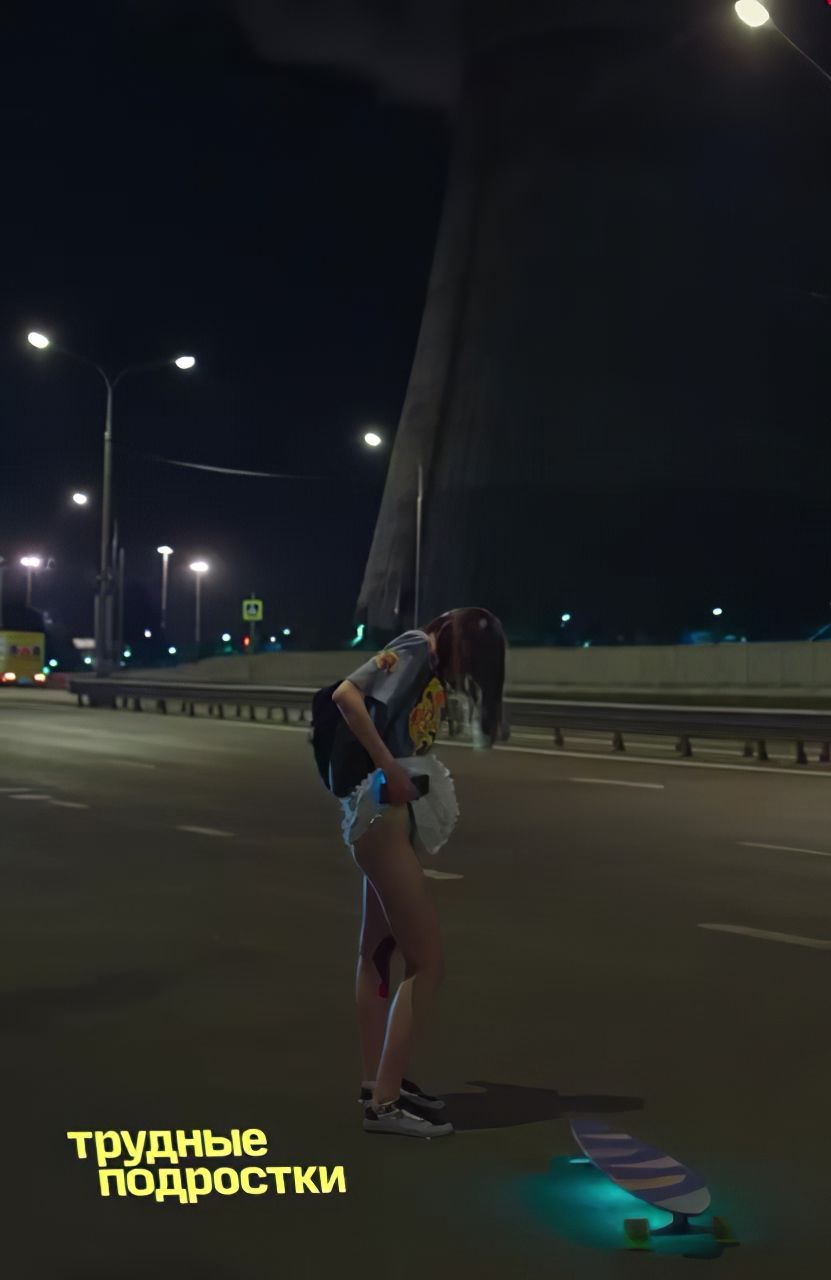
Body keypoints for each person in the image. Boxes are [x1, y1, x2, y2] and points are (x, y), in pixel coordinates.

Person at [330, 607, 507, 1138]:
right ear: (452, 638)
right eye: (468, 658)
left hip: (388, 818)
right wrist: (389, 765)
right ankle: (385, 1106)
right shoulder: (414, 647)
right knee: (428, 964)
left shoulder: (428, 666)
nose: (465, 670)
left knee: (377, 954)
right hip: (381, 815)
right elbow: (346, 695)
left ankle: (377, 1083)